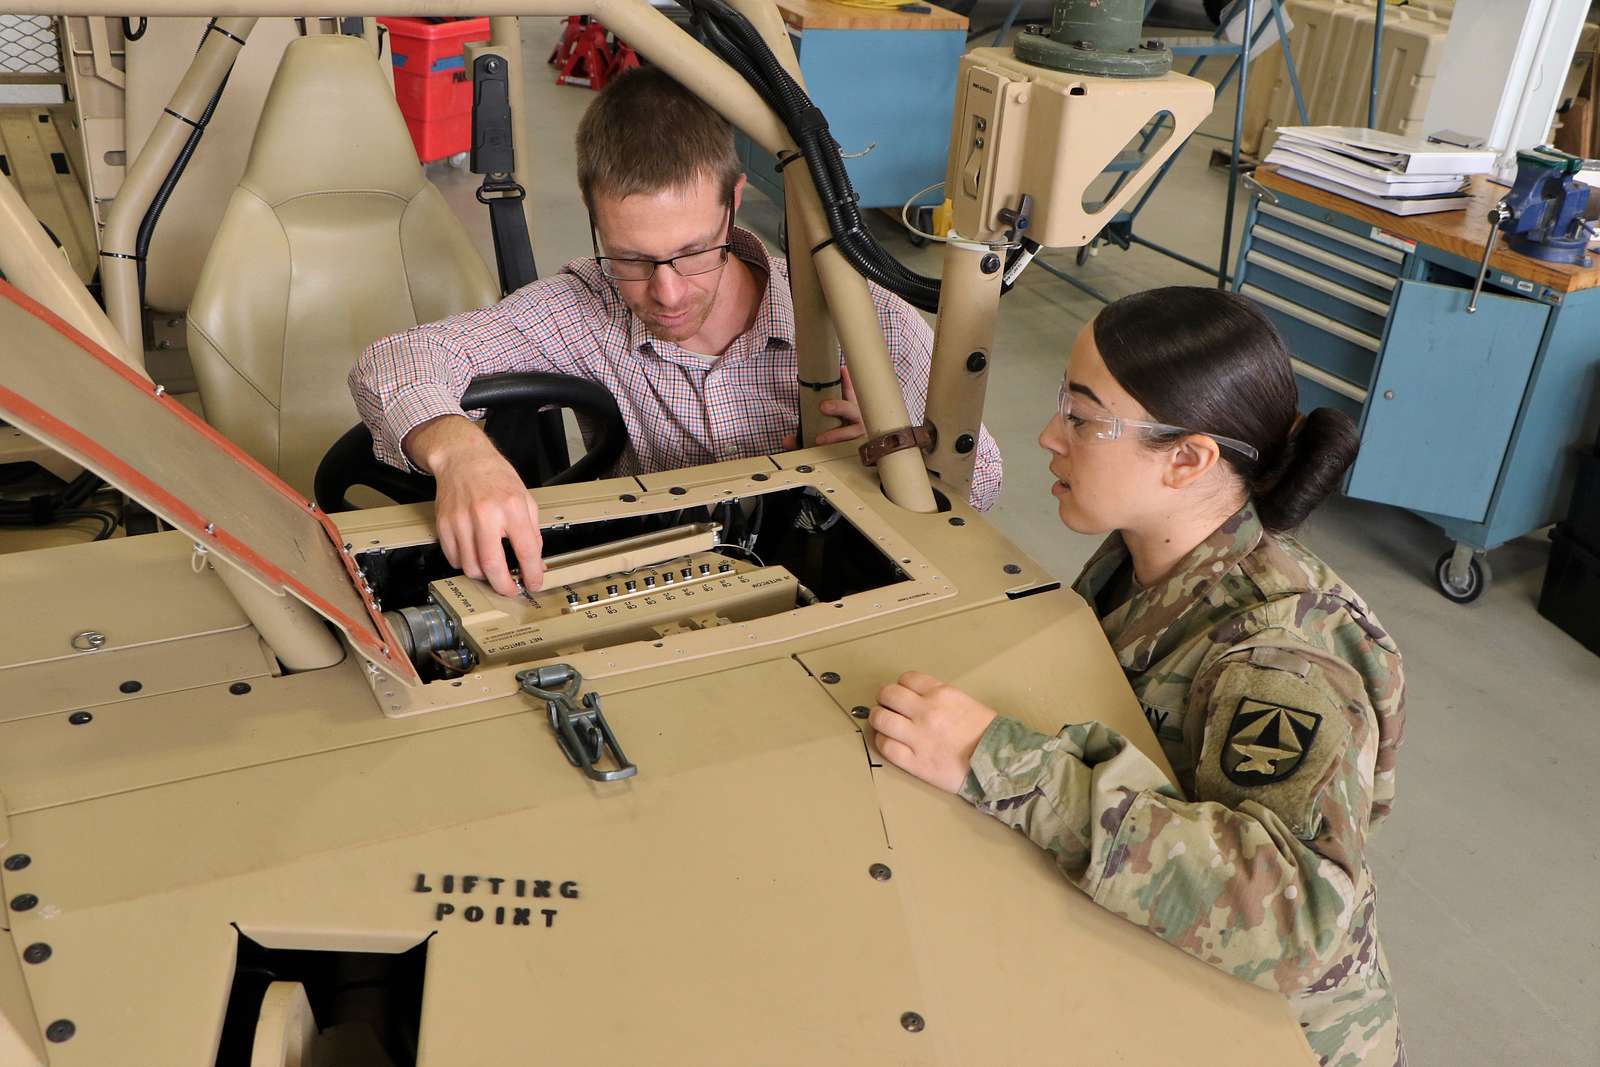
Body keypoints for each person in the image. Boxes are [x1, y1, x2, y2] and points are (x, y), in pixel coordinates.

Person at [868, 287, 1406, 1066]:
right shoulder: (1146, 556)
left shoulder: (1279, 655)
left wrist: (1002, 763)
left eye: (1084, 419)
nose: (1050, 434)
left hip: (1273, 1034)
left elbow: (1300, 919)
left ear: (1188, 459)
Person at [351, 66, 1002, 597]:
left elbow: (985, 476)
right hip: (648, 594)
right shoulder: (587, 310)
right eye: (631, 257)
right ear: (593, 215)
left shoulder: (863, 320)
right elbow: (394, 362)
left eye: (693, 252)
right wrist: (461, 453)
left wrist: (905, 451)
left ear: (735, 200)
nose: (664, 292)